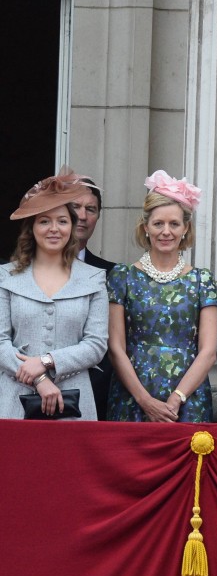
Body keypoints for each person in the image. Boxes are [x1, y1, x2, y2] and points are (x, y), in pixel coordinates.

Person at [106, 171, 217, 422]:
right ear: (146, 227)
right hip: (132, 397)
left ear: (185, 228)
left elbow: (209, 351)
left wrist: (177, 397)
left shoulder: (201, 280)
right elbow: (116, 347)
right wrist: (144, 401)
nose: (166, 231)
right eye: (158, 223)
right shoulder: (123, 276)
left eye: (174, 224)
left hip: (189, 399)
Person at [0, 172, 108, 419]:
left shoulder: (93, 278)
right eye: (44, 221)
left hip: (75, 400)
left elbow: (96, 344)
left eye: (62, 221)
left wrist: (48, 361)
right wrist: (39, 379)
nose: (54, 229)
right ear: (32, 227)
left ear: (71, 227)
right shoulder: (5, 277)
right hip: (13, 400)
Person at [67, 170, 116, 417]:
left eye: (91, 209)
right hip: (27, 392)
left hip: (93, 399)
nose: (82, 216)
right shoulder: (16, 273)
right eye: (75, 207)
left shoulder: (112, 274)